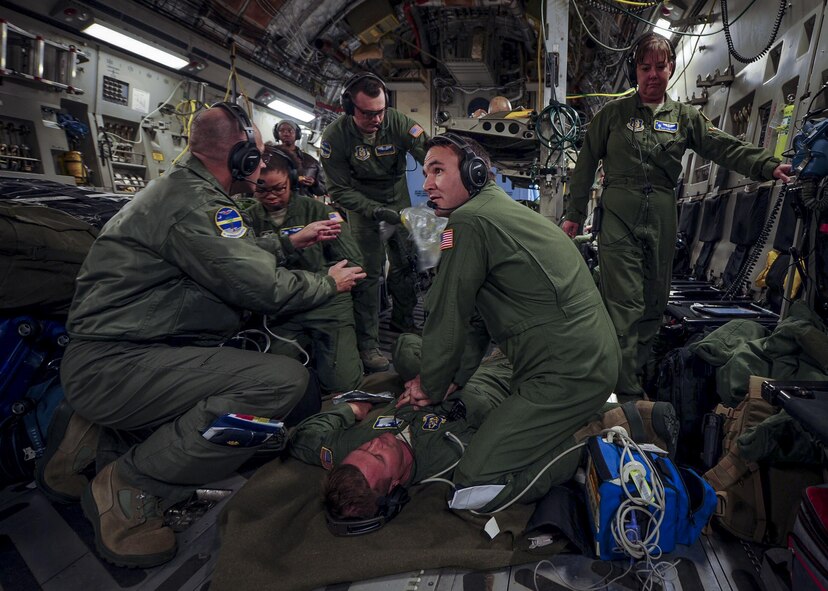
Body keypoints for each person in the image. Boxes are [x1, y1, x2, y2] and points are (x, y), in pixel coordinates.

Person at [35, 103, 365, 568]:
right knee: (279, 382)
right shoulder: (198, 202)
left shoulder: (183, 190)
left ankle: (80, 444)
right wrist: (328, 283)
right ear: (243, 159)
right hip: (115, 367)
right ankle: (131, 489)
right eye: (256, 154)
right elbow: (264, 288)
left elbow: (225, 251)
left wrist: (289, 240)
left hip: (111, 355)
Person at [390, 133, 621, 513]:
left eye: (438, 171)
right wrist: (453, 378)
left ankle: (588, 440)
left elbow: (447, 315)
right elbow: (479, 318)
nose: (427, 184)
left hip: (568, 373)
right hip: (578, 359)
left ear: (476, 173)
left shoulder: (467, 223)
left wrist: (430, 388)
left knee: (473, 483)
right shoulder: (498, 212)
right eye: (425, 172)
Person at [561, 33, 793, 398]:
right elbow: (585, 165)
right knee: (625, 305)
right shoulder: (612, 116)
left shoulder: (685, 118)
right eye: (645, 67)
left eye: (660, 66)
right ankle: (623, 391)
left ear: (671, 68)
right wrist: (573, 214)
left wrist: (768, 165)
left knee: (654, 302)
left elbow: (723, 146)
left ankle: (638, 373)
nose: (653, 74)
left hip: (663, 214)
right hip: (620, 212)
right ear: (635, 71)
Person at [289, 339, 676, 520]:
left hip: (472, 363)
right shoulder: (452, 468)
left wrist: (351, 410)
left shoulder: (345, 450)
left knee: (407, 348)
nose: (376, 442)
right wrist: (593, 430)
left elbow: (305, 437)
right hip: (521, 381)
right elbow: (534, 474)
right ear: (393, 486)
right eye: (378, 457)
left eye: (365, 447)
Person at [321, 72, 429, 372]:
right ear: (349, 108)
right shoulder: (335, 138)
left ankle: (404, 323)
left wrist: (440, 174)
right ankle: (368, 344)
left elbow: (428, 152)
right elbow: (338, 190)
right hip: (360, 204)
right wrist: (375, 211)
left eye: (380, 111)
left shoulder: (398, 123)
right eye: (368, 114)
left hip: (398, 198)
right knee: (367, 275)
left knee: (406, 265)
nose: (377, 120)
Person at [245, 144, 364, 392]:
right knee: (272, 385)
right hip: (281, 312)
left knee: (343, 385)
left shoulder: (320, 212)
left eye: (279, 188)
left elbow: (353, 264)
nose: (271, 196)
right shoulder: (247, 218)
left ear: (292, 181)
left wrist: (319, 283)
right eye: (262, 190)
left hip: (328, 306)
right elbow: (239, 262)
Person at [273, 119, 327, 198]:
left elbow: (323, 190)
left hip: (302, 206)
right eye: (281, 131)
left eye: (290, 130)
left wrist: (315, 183)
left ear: (297, 134)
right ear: (277, 135)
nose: (286, 133)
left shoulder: (311, 162)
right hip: (276, 203)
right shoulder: (270, 158)